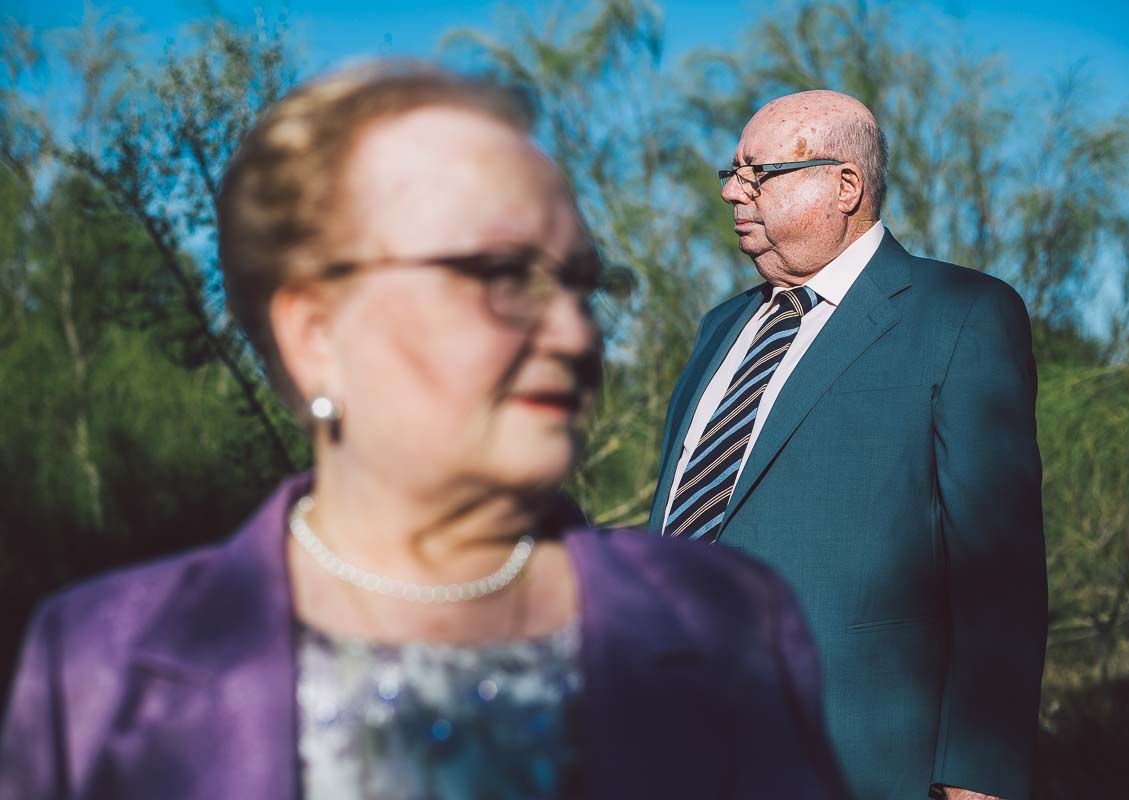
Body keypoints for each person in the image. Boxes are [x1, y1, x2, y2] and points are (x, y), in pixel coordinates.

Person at [0, 65, 846, 800]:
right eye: (500, 275)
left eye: (581, 284)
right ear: (315, 333)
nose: (575, 335)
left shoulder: (725, 621)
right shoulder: (98, 666)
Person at [648, 90, 1047, 800]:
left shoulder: (962, 316)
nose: (731, 191)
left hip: (848, 760)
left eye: (756, 172)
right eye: (730, 172)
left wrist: (976, 773)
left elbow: (1000, 571)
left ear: (845, 186)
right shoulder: (718, 327)